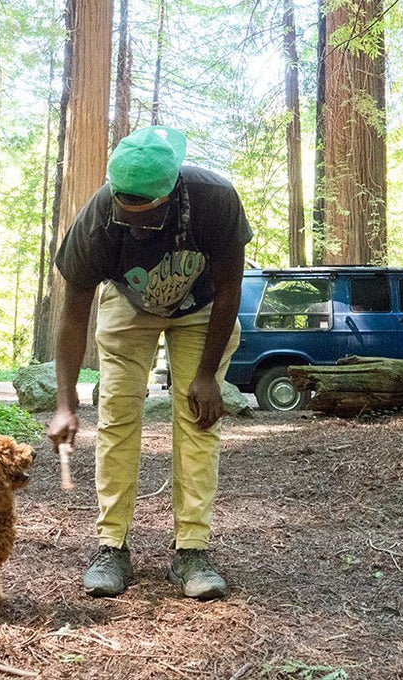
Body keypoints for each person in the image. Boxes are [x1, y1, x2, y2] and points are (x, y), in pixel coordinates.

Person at [46, 126, 252, 600]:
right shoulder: (97, 219)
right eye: (127, 214)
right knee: (117, 415)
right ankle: (112, 546)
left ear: (171, 191)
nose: (136, 227)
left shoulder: (214, 200)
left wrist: (205, 375)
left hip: (201, 309)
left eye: (148, 217)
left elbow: (228, 291)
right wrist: (64, 402)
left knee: (198, 419)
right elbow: (75, 312)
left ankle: (192, 551)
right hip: (128, 306)